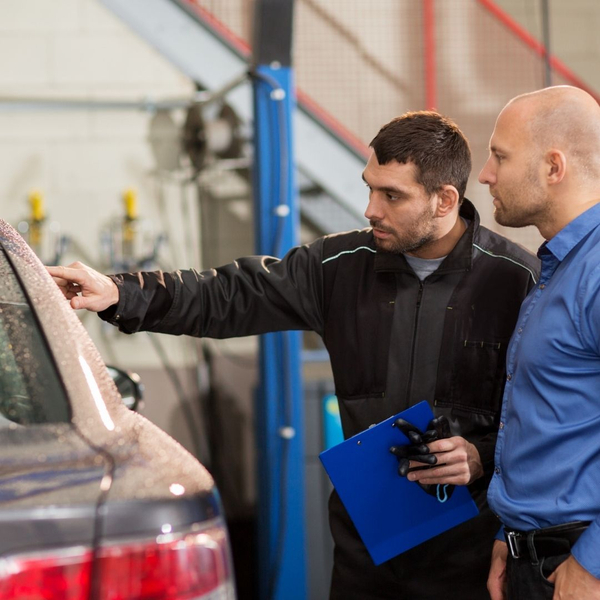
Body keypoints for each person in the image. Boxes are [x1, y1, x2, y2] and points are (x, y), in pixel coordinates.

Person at [48, 111, 539, 600]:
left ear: (445, 200)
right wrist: (117, 293)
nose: (370, 209)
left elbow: (557, 420)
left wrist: (484, 456)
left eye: (392, 195)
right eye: (370, 187)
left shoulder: (520, 282)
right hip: (367, 547)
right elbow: (226, 295)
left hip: (475, 550)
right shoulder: (338, 268)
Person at [479, 86, 600, 600]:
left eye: (500, 157)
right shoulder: (558, 269)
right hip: (539, 556)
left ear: (554, 167)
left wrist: (593, 564)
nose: (485, 174)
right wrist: (517, 537)